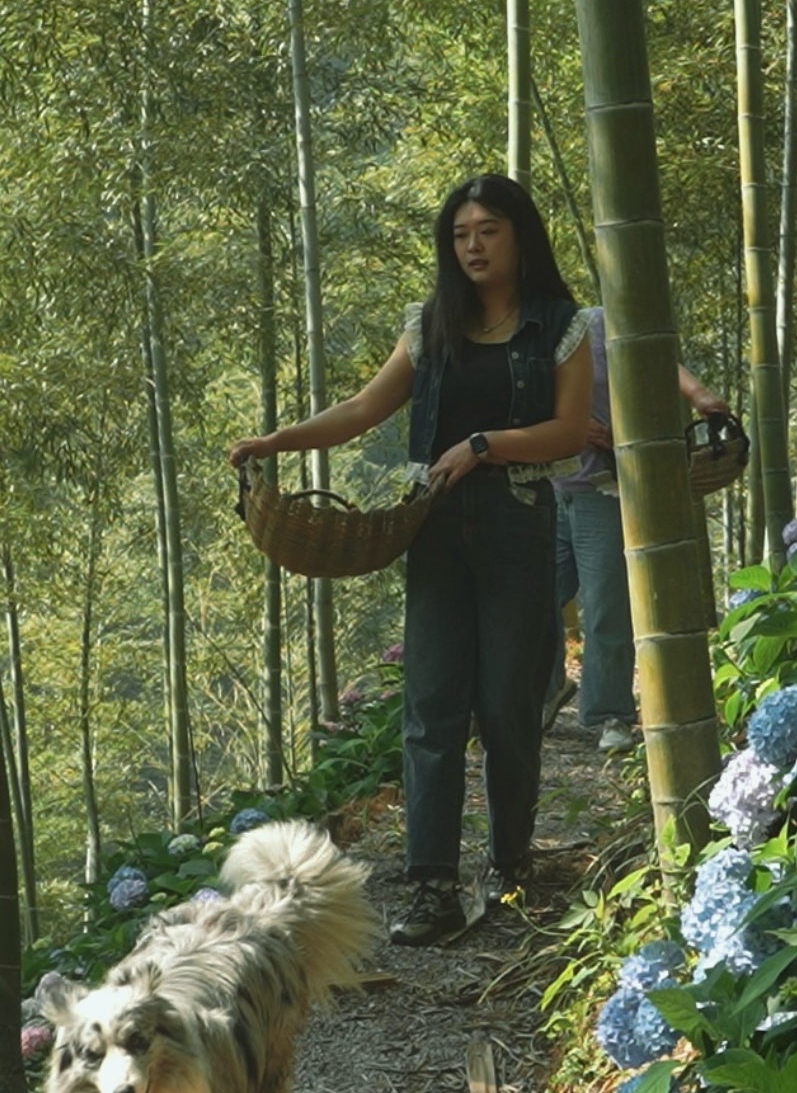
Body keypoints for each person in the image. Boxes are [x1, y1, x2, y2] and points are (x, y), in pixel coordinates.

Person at [229, 173, 592, 947]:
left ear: (519, 236)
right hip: (431, 527)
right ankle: (429, 886)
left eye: (488, 230)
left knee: (505, 706)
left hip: (517, 520)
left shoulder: (560, 326)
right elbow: (364, 408)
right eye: (460, 234)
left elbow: (570, 431)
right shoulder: (429, 325)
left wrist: (484, 445)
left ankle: (510, 864)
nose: (472, 246)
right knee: (429, 707)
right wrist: (276, 441)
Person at [545, 310, 729, 752]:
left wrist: (702, 398)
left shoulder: (600, 323)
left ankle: (611, 714)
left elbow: (661, 361)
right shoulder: (529, 329)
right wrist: (564, 421)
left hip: (603, 488)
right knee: (533, 601)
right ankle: (546, 690)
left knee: (606, 603)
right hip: (547, 486)